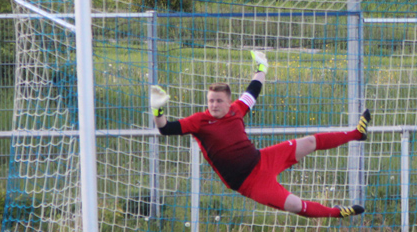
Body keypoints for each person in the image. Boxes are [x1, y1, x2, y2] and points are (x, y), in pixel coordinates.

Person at [149, 50, 370, 219]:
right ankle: (337, 213)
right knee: (294, 205)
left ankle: (356, 133)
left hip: (263, 159)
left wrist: (262, 68)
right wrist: (157, 109)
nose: (213, 105)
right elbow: (165, 128)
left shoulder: (237, 109)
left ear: (228, 101)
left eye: (218, 101)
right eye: (210, 100)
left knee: (311, 141)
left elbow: (253, 89)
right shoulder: (199, 121)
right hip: (249, 183)